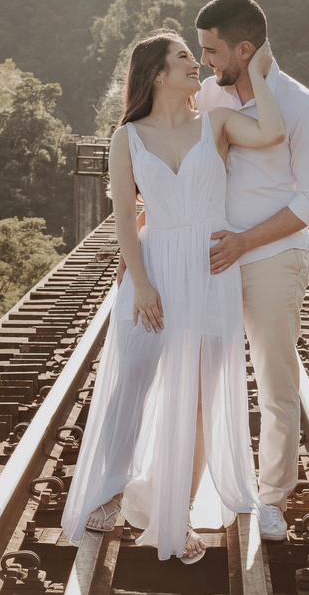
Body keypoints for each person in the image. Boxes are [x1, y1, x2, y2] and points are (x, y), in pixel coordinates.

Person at [60, 29, 284, 563]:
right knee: (133, 378)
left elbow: (273, 132)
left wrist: (258, 73)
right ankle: (113, 491)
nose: (197, 64)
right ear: (158, 74)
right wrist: (140, 283)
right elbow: (121, 220)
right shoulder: (127, 138)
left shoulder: (218, 123)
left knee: (203, 395)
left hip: (210, 269)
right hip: (156, 264)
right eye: (185, 57)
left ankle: (177, 513)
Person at [194, 0, 309, 542]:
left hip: (273, 258)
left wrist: (245, 240)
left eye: (211, 50)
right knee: (205, 374)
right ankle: (209, 484)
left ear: (244, 48)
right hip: (212, 260)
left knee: (275, 380)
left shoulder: (301, 106)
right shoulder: (209, 94)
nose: (204, 60)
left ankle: (272, 496)